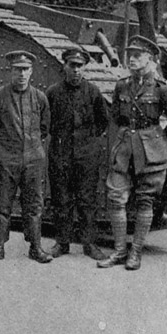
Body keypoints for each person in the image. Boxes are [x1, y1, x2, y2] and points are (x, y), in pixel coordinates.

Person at [98, 36, 167, 270]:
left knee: (145, 201)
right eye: (130, 55)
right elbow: (116, 117)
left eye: (137, 55)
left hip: (150, 153)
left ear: (150, 59)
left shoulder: (161, 88)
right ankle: (119, 251)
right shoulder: (122, 85)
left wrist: (160, 139)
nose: (132, 59)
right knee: (116, 197)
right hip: (124, 150)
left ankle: (135, 253)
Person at [0, 51, 53, 264]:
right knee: (2, 204)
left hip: (33, 159)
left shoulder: (40, 98)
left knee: (34, 205)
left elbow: (44, 127)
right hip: (5, 159)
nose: (21, 74)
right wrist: (6, 145)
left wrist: (31, 146)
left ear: (31, 72)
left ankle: (35, 247)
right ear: (10, 71)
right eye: (17, 69)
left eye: (25, 69)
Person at [45, 48, 109, 261]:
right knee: (61, 199)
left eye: (80, 66)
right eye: (72, 65)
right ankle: (62, 243)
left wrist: (86, 142)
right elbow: (46, 122)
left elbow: (102, 121)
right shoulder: (53, 93)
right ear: (64, 66)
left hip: (86, 156)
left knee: (87, 200)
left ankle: (89, 244)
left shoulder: (93, 92)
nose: (76, 70)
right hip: (61, 154)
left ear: (84, 68)